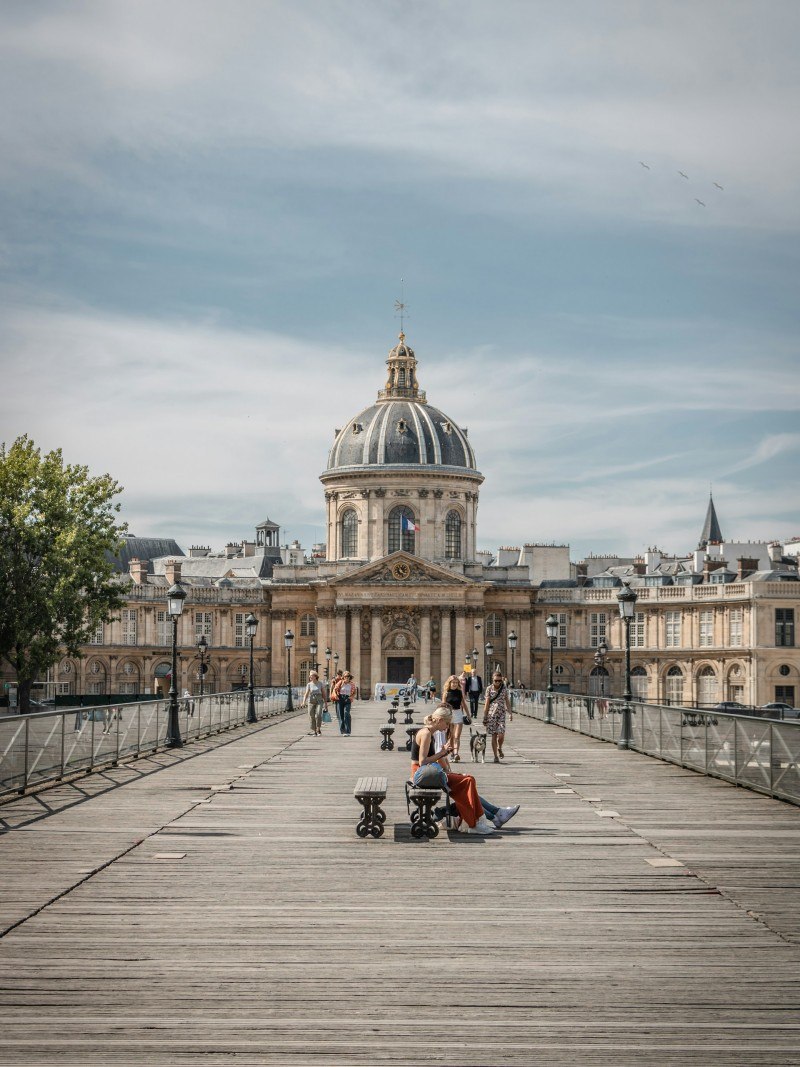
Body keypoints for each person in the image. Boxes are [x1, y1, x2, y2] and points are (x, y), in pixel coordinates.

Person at [412, 707, 519, 832]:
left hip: (430, 773)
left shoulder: (429, 732)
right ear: (440, 720)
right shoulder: (426, 734)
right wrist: (441, 753)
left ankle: (483, 819)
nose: (447, 727)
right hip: (424, 775)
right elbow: (422, 761)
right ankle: (477, 822)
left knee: (468, 780)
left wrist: (442, 754)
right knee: (467, 781)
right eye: (446, 723)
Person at [484, 671, 512, 763]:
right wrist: (485, 716)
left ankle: (499, 747)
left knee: (501, 734)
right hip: (491, 714)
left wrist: (510, 713)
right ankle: (495, 756)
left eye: (499, 681)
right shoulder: (489, 688)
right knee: (494, 735)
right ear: (493, 679)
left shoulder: (504, 688)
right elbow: (487, 703)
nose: (497, 682)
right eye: (496, 680)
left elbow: (507, 700)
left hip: (501, 713)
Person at [442, 673, 468, 762]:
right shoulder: (446, 693)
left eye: (456, 683)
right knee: (451, 736)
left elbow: (463, 704)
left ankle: (456, 753)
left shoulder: (459, 692)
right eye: (453, 682)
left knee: (457, 736)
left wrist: (468, 715)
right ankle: (452, 753)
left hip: (458, 714)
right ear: (449, 683)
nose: (455, 684)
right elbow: (443, 706)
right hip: (449, 715)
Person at [301, 670, 327, 735]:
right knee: (311, 715)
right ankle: (314, 730)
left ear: (315, 676)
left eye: (311, 675)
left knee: (318, 714)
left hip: (319, 700)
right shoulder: (309, 684)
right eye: (309, 676)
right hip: (311, 700)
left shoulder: (320, 683)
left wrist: (326, 704)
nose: (310, 677)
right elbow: (306, 694)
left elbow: (324, 694)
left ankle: (318, 728)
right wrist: (303, 701)